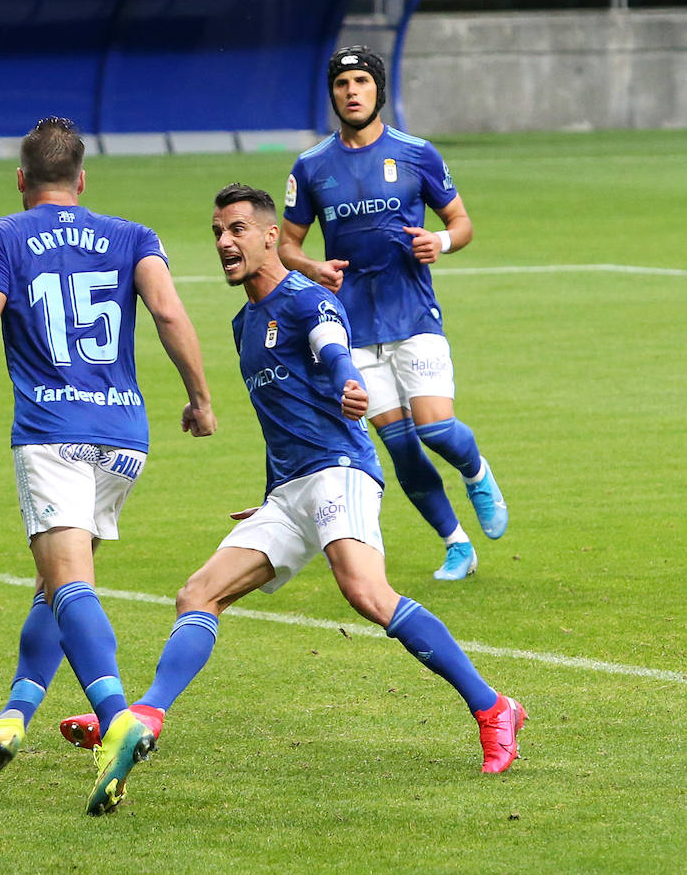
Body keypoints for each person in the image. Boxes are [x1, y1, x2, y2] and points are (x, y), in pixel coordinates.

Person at [58, 184, 525, 774]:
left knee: (366, 593)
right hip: (288, 491)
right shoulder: (242, 325)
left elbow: (333, 348)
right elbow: (281, 419)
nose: (225, 242)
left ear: (270, 234)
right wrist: (269, 498)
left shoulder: (306, 298)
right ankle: (141, 718)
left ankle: (493, 708)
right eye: (217, 233)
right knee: (198, 595)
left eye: (237, 230)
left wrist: (350, 382)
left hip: (339, 472)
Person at [0, 116, 216, 815]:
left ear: (22, 179)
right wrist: (200, 398)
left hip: (52, 433)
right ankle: (12, 718)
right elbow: (170, 313)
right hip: (125, 436)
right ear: (83, 180)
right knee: (54, 584)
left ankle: (118, 718)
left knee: (68, 585)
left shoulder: (2, 234)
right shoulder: (132, 235)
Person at [278, 45, 507, 581]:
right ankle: (456, 545)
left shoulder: (416, 152)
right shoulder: (311, 165)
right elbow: (287, 244)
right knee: (402, 451)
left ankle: (475, 471)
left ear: (378, 89)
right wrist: (313, 268)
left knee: (436, 429)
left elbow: (461, 220)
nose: (351, 91)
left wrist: (442, 241)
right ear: (332, 93)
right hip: (353, 329)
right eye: (342, 84)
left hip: (414, 317)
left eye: (361, 81)